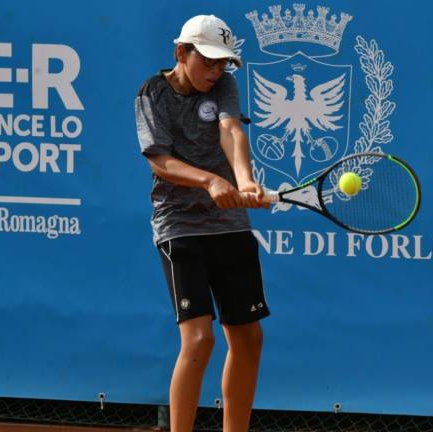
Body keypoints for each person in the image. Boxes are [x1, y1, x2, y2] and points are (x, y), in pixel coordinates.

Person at [134, 14, 270, 432]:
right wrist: (211, 180)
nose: (215, 71)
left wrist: (244, 180)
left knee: (248, 339)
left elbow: (231, 132)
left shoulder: (224, 84)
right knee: (199, 340)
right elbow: (160, 160)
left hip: (230, 225)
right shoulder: (153, 93)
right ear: (182, 53)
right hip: (180, 227)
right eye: (208, 61)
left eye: (222, 63)